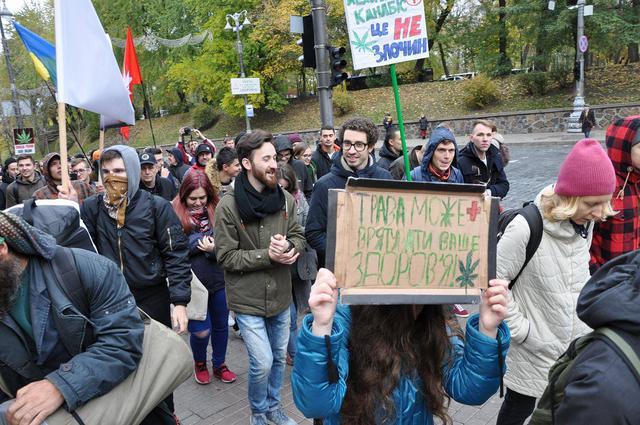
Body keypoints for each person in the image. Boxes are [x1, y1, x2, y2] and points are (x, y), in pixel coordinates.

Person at [495, 139, 617, 425]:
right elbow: (492, 284)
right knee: (518, 409)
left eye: (605, 202)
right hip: (533, 347)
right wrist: (524, 331)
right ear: (570, 197)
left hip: (572, 344)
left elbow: (575, 273)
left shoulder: (583, 222)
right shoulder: (526, 227)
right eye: (592, 204)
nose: (600, 214)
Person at [291, 268, 511, 424]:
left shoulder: (432, 316)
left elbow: (469, 389)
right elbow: (315, 404)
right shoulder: (346, 309)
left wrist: (487, 330)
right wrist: (321, 328)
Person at [0, 211, 146, 424]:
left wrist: (60, 385)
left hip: (116, 405)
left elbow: (123, 342)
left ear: (2, 249)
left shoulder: (91, 269)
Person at [80, 145, 191, 416]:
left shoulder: (157, 207)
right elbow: (82, 248)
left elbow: (175, 255)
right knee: (120, 368)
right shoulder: (92, 208)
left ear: (131, 171)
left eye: (118, 171)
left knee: (158, 368)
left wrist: (179, 302)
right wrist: (71, 211)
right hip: (110, 301)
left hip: (151, 298)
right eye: (105, 172)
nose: (111, 177)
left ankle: (167, 416)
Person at [214, 130, 306, 425]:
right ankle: (257, 413)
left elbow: (298, 236)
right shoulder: (228, 206)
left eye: (274, 158)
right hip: (247, 299)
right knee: (262, 362)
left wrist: (291, 248)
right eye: (266, 159)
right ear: (245, 164)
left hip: (280, 295)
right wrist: (269, 255)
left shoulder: (284, 199)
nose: (274, 165)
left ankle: (274, 409)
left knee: (279, 358)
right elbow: (225, 257)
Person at [543, 249, 640, 424]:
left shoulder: (583, 231)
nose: (599, 219)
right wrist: (523, 331)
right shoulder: (603, 389)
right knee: (518, 404)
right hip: (536, 345)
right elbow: (500, 279)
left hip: (563, 338)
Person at [171, 171, 237, 385]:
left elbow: (229, 243)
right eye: (193, 199)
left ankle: (219, 363)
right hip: (192, 283)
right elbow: (175, 248)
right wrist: (200, 241)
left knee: (220, 325)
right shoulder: (174, 212)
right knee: (200, 331)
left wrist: (213, 247)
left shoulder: (218, 210)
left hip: (219, 278)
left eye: (202, 197)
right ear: (184, 196)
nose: (198, 203)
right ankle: (200, 361)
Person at [306, 117, 392, 268]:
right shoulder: (323, 185)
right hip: (340, 273)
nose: (352, 151)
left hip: (379, 268)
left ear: (370, 146)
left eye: (359, 145)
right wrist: (347, 252)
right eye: (347, 144)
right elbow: (313, 234)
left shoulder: (385, 178)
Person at [590, 116, 640, 272]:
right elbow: (579, 236)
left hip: (634, 278)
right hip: (607, 279)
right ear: (624, 146)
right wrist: (595, 272)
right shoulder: (602, 185)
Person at [276, 162, 312, 367]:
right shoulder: (268, 203)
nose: (282, 191)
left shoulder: (300, 200)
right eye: (278, 186)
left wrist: (293, 239)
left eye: (286, 186)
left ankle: (298, 349)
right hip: (279, 265)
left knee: (304, 308)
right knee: (288, 316)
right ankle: (296, 355)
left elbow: (309, 225)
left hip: (299, 261)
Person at [457, 119, 510, 199]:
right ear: (471, 138)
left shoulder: (496, 155)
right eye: (480, 135)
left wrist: (488, 192)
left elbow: (504, 185)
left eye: (488, 135)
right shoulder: (461, 162)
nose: (485, 139)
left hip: (492, 206)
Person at [32, 153, 96, 205]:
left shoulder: (82, 185)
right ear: (47, 170)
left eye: (61, 163)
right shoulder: (39, 195)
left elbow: (95, 210)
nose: (59, 166)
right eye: (53, 164)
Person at [274, 135, 313, 199]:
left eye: (287, 155)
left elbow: (309, 191)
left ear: (291, 153)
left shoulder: (300, 166)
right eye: (280, 155)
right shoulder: (272, 168)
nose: (283, 158)